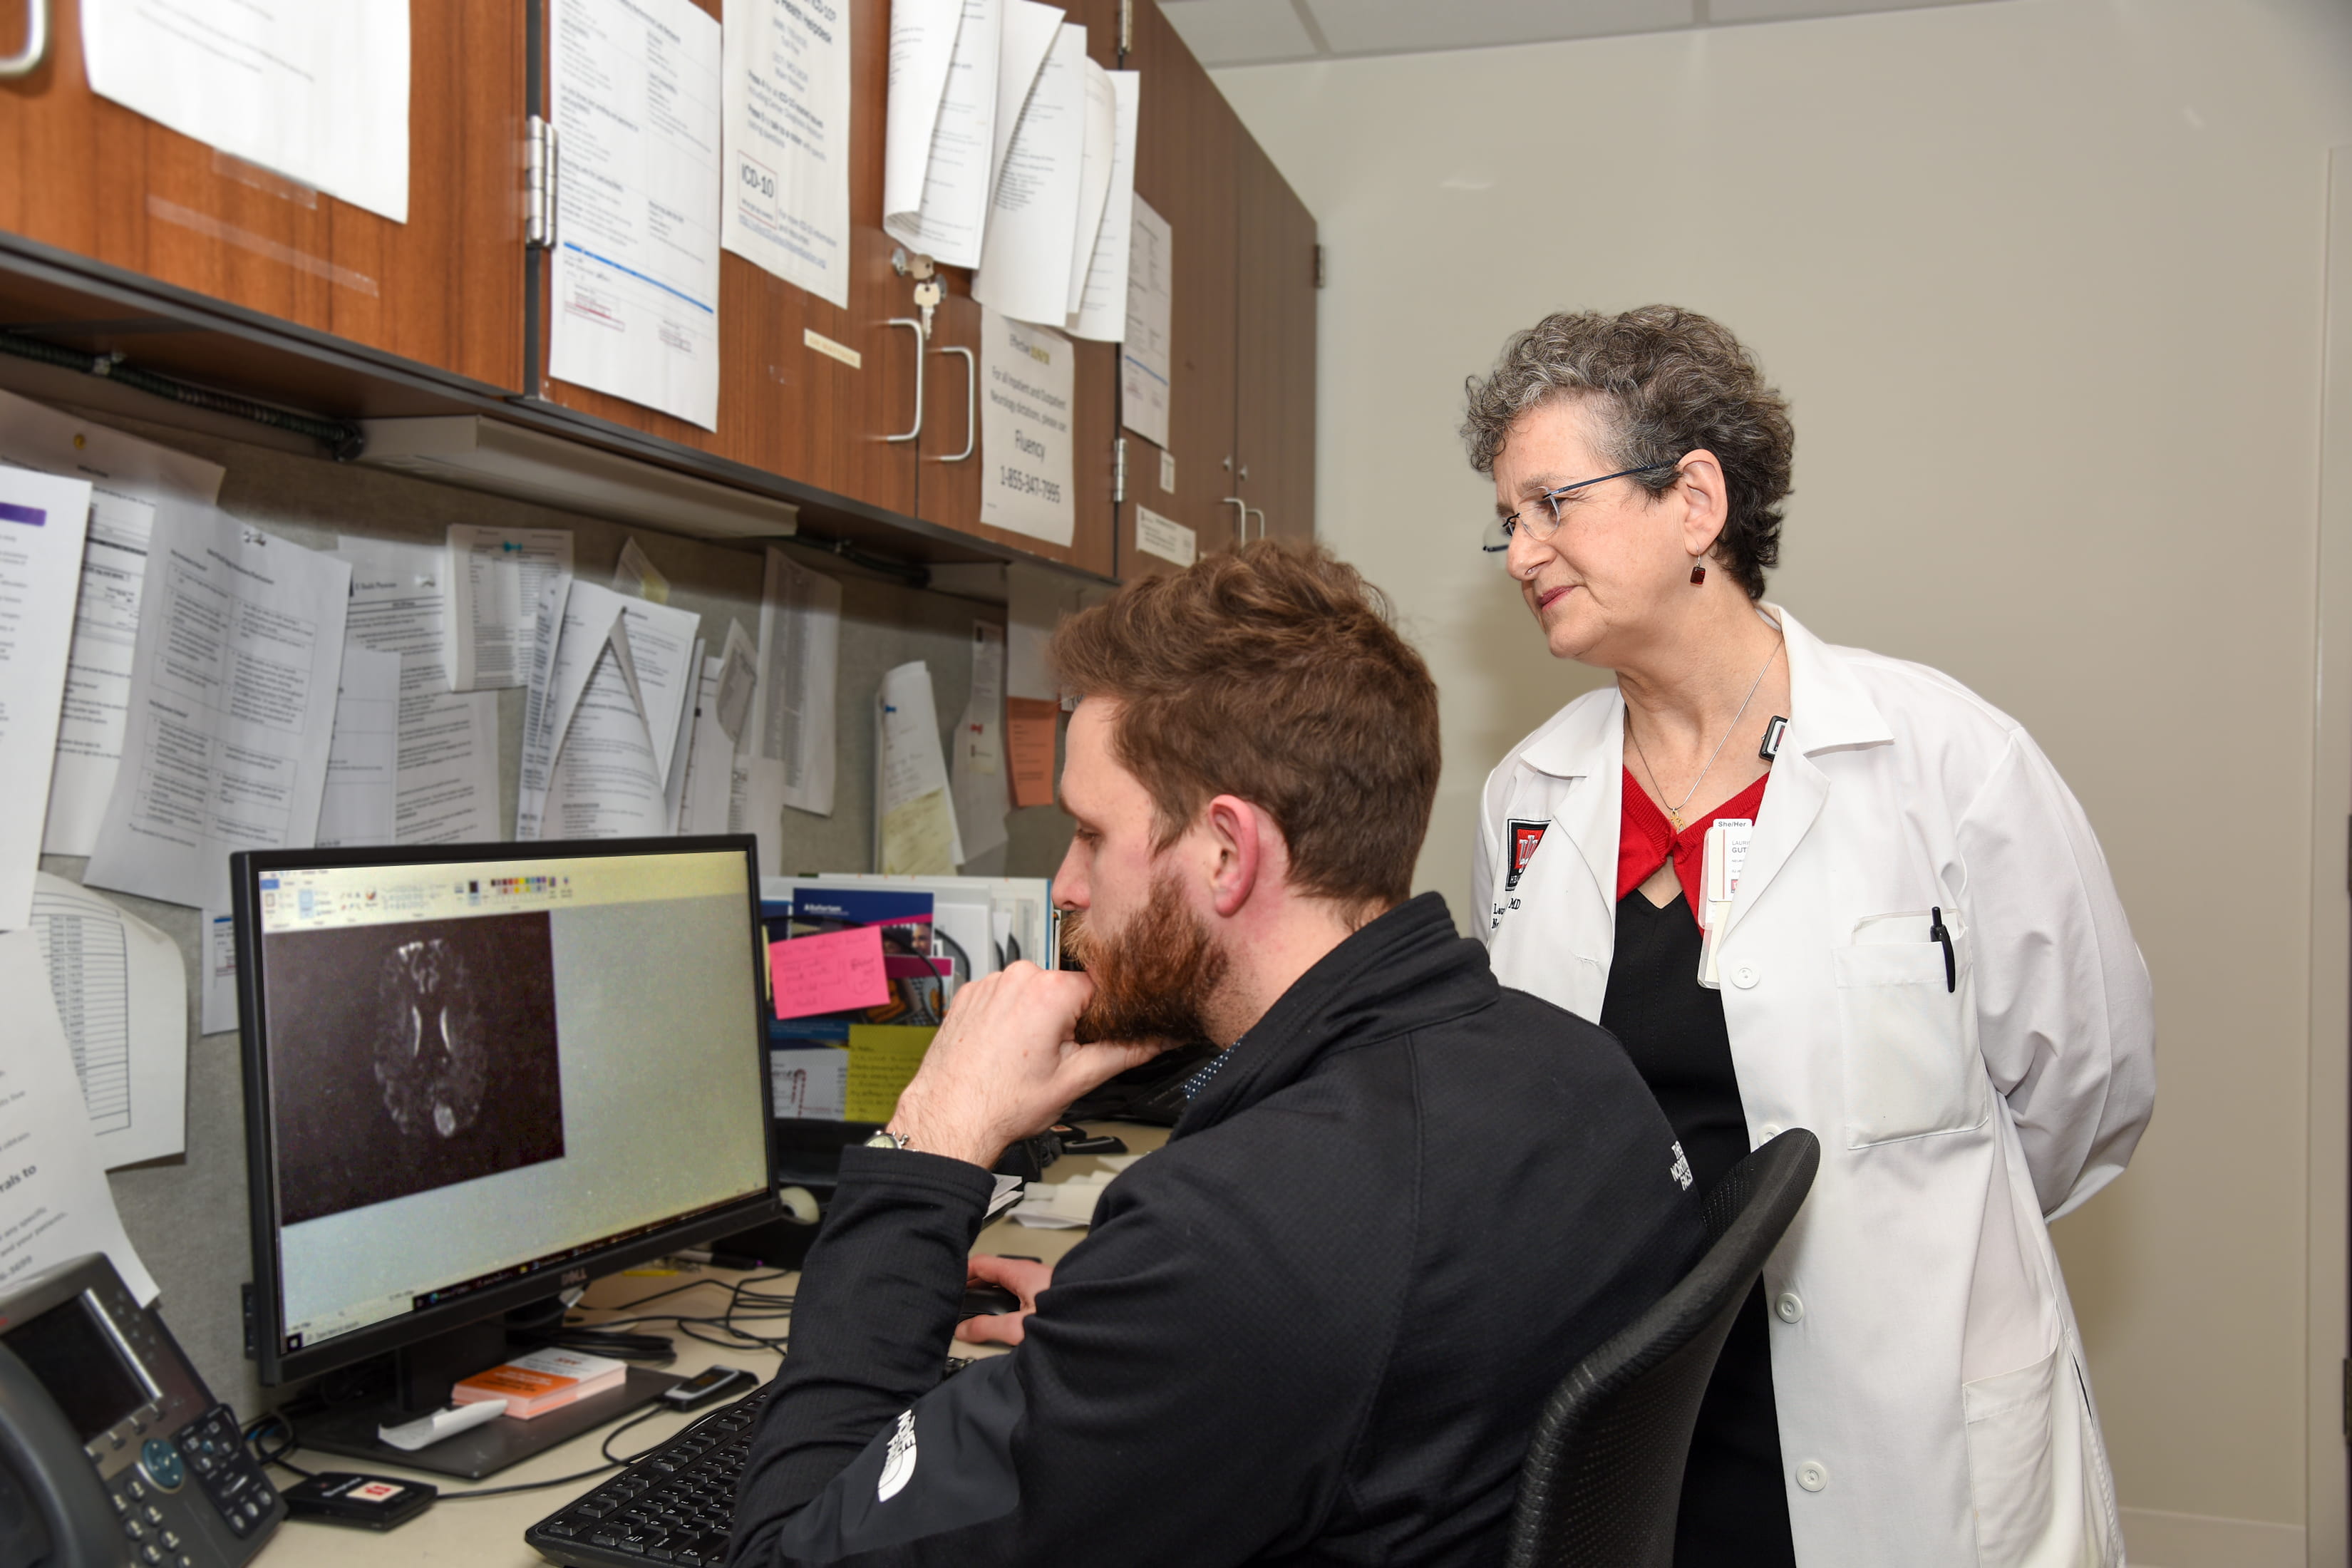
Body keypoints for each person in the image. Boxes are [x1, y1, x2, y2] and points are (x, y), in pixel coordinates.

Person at [727, 542, 1706, 1567]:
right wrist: (1134, 1351)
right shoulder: (1577, 1067)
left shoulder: (1237, 1239)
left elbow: (789, 1554)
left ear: (1228, 855)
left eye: (1089, 835)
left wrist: (932, 1140)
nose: (1065, 887)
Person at [1461, 306, 2156, 1568]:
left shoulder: (1948, 761)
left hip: (1905, 1414)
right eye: (1507, 518)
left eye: (1552, 503)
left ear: (1696, 501)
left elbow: (2087, 1092)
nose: (1520, 552)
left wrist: (1912, 1227)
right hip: (1640, 1407)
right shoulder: (1529, 796)